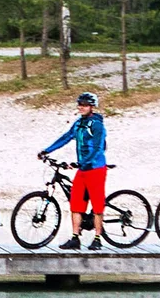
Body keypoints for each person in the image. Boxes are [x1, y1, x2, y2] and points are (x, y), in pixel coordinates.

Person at [37, 91, 107, 250]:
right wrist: (47, 151)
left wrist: (80, 163)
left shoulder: (97, 125)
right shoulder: (78, 124)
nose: (81, 107)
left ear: (92, 107)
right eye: (80, 105)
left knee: (97, 205)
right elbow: (65, 138)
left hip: (95, 169)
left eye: (85, 105)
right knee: (76, 204)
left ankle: (97, 238)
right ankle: (75, 238)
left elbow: (97, 149)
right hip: (82, 170)